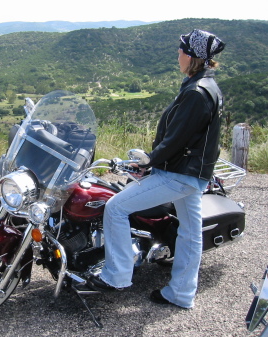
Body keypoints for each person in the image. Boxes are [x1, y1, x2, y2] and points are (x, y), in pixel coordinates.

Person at [89, 29, 226, 309]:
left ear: (191, 56)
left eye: (180, 51)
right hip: (192, 174)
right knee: (189, 234)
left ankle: (117, 276)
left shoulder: (197, 92)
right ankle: (181, 293)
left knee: (115, 207)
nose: (178, 55)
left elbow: (176, 139)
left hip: (180, 174)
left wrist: (149, 161)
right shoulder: (206, 85)